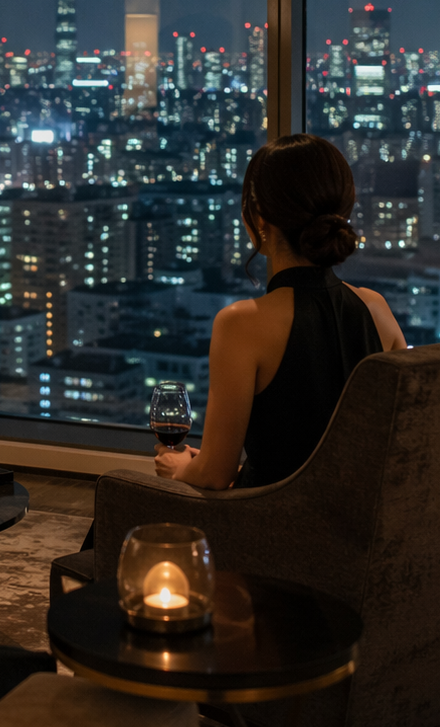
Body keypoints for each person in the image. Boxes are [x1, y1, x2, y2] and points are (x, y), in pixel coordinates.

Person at [155, 134, 407, 489]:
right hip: (355, 530)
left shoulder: (241, 323)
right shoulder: (375, 307)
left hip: (266, 529)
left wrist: (177, 466)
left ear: (260, 219)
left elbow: (214, 474)